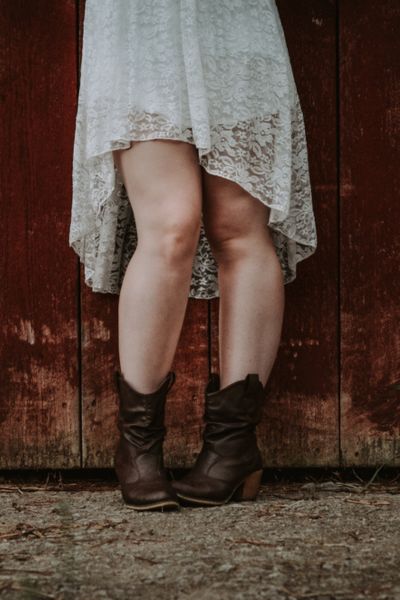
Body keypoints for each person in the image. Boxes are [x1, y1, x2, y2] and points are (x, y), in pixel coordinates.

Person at [69, 0, 317, 511]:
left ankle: (233, 448)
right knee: (169, 225)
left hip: (233, 24)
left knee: (240, 227)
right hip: (142, 32)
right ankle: (137, 445)